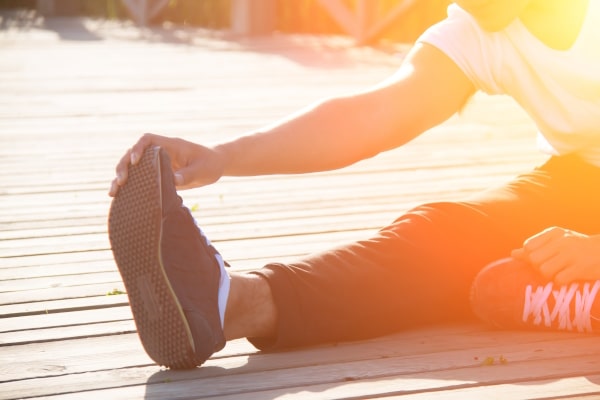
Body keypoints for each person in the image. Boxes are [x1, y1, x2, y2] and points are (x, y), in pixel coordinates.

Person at [108, 0, 600, 369]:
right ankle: (233, 305)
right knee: (442, 234)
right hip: (579, 179)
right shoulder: (479, 28)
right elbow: (371, 117)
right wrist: (222, 156)